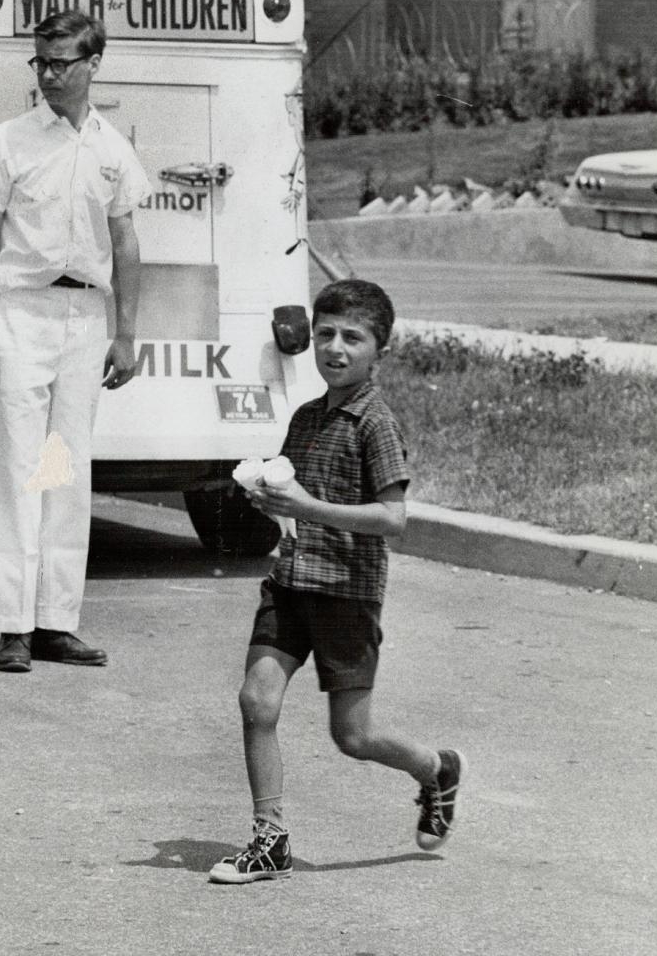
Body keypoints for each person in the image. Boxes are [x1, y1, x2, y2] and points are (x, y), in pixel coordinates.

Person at [209, 279, 465, 885]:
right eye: (325, 334)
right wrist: (269, 500)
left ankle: (436, 769)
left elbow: (393, 519)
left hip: (347, 592)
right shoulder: (306, 416)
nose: (336, 348)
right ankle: (270, 841)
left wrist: (309, 504)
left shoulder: (375, 424)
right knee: (256, 700)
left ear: (382, 349)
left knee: (353, 735)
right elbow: (297, 498)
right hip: (291, 582)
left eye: (354, 337)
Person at [0, 9, 151, 674]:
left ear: (94, 64)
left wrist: (127, 333)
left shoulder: (111, 149)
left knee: (64, 471)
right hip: (17, 314)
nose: (49, 75)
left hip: (84, 318)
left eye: (62, 62)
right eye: (41, 63)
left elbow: (125, 242)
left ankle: (56, 623)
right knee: (14, 469)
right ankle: (13, 626)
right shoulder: (9, 142)